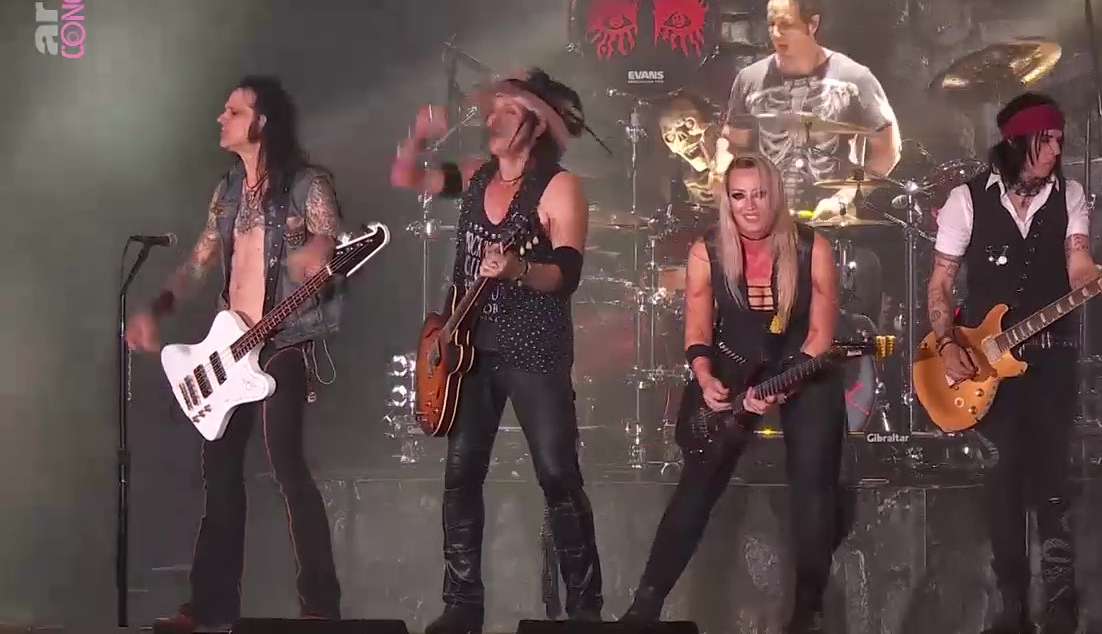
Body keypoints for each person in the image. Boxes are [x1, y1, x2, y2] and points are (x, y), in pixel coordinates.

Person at [125, 75, 345, 631]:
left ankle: (320, 606)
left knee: (287, 466)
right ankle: (210, 604)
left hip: (284, 339)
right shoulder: (226, 191)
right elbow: (200, 261)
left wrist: (319, 252)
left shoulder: (308, 185)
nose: (221, 119)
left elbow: (332, 243)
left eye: (233, 111)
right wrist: (159, 307)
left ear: (262, 121)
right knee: (220, 475)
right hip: (230, 347)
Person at [390, 69, 602, 634]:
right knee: (461, 476)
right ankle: (462, 604)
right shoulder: (476, 175)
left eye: (509, 111)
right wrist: (418, 135)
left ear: (537, 124)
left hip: (535, 348)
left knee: (557, 475)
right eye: (493, 109)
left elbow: (567, 274)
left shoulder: (559, 187)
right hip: (469, 349)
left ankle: (585, 607)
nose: (493, 118)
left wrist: (520, 269)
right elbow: (407, 176)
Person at [926, 92, 1102, 634]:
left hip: (1052, 359)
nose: (1057, 150)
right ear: (1017, 143)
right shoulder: (966, 200)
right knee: (1003, 481)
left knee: (1053, 478)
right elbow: (941, 283)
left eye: (1060, 140)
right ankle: (1011, 605)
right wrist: (946, 343)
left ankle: (1061, 607)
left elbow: (1078, 266)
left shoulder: (1071, 196)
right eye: (1047, 140)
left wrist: (1098, 280)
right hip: (987, 366)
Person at [620, 152, 841, 634]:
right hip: (735, 362)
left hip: (802, 366)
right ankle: (645, 605)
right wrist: (704, 377)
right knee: (697, 484)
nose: (750, 206)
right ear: (727, 200)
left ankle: (807, 613)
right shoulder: (707, 251)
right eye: (739, 196)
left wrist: (782, 385)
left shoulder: (813, 247)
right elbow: (698, 330)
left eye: (759, 194)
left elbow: (821, 335)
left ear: (775, 195)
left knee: (812, 487)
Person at [720, 0, 901, 220]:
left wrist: (845, 196)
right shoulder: (749, 79)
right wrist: (723, 170)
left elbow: (887, 151)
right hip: (766, 220)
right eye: (771, 24)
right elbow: (734, 145)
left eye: (786, 25)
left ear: (812, 24)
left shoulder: (855, 78)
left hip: (832, 223)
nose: (776, 33)